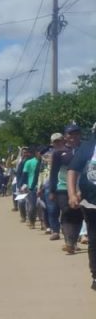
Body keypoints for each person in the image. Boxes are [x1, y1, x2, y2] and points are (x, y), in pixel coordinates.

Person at [67, 123, 96, 290]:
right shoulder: (87, 147)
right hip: (91, 202)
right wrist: (72, 193)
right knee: (95, 239)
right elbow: (73, 170)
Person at [51, 125, 84, 252]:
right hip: (63, 187)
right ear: (65, 137)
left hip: (82, 188)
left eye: (76, 133)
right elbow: (53, 173)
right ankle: (69, 242)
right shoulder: (60, 153)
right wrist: (52, 191)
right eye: (70, 134)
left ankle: (73, 241)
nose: (73, 137)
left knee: (79, 214)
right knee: (67, 211)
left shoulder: (86, 149)